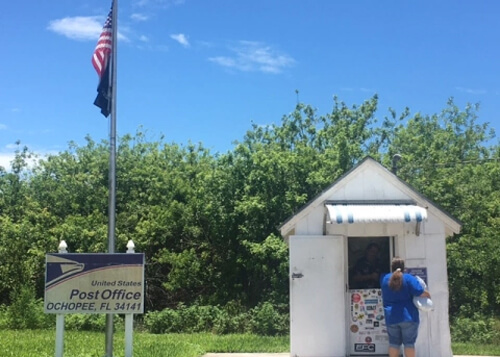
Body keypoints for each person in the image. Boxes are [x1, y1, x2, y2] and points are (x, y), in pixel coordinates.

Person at [380, 257, 431, 357]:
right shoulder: (408, 278)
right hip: (409, 316)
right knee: (409, 344)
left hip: (391, 317)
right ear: (404, 267)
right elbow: (419, 292)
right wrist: (428, 294)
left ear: (392, 267)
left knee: (394, 343)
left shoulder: (384, 278)